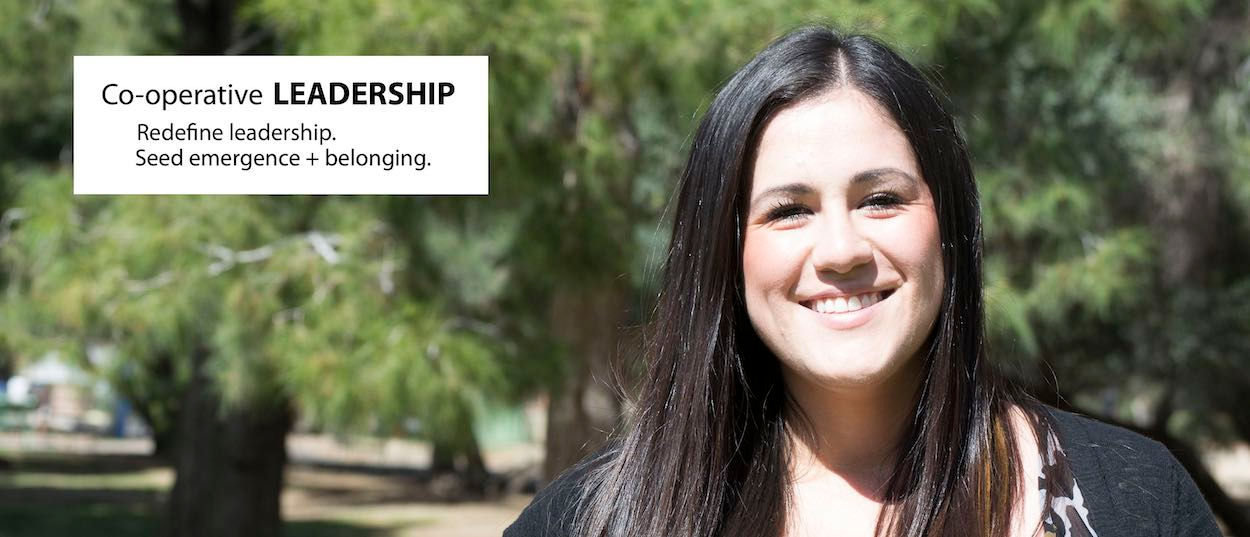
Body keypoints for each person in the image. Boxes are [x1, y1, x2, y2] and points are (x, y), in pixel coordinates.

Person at [504, 26, 1222, 537]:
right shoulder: (594, 519)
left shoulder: (1136, 500)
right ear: (724, 253)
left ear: (948, 226)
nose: (841, 249)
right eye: (788, 210)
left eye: (881, 198)